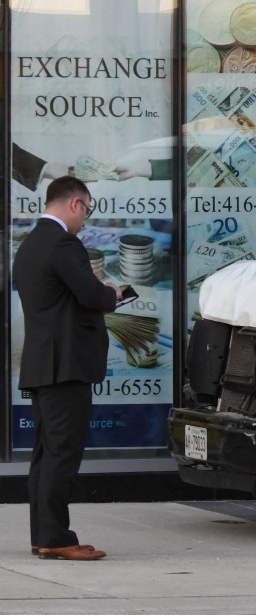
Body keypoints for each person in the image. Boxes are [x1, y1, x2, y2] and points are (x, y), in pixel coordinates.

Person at [12, 176, 123, 561]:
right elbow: (92, 295)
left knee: (45, 454)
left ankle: (44, 535)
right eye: (87, 211)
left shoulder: (28, 247)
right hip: (67, 366)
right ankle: (57, 537)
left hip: (43, 363)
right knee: (62, 454)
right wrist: (113, 294)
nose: (85, 220)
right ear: (75, 203)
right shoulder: (63, 244)